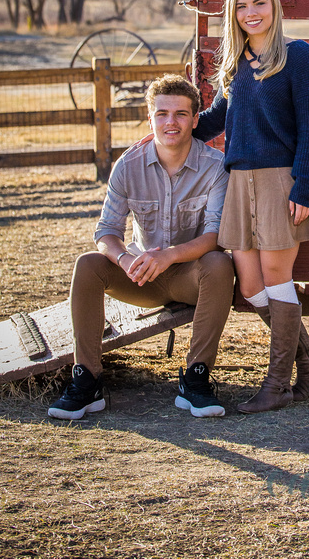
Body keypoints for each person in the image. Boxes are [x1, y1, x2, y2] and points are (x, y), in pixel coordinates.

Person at [48, 75, 234, 421]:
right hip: (141, 275)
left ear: (196, 120)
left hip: (188, 275)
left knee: (220, 263)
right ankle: (87, 379)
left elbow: (215, 236)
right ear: (150, 117)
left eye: (181, 114)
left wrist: (170, 256)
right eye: (161, 114)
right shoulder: (128, 165)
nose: (171, 122)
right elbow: (106, 231)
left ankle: (196, 379)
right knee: (88, 264)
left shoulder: (214, 168)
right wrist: (125, 258)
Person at [193, 0, 309, 414]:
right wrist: (170, 132)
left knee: (277, 280)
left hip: (280, 182)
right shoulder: (234, 66)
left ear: (273, 6)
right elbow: (215, 121)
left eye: (259, 3)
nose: (250, 13)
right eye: (241, 5)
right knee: (251, 285)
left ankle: (277, 387)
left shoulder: (298, 56)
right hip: (239, 184)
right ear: (231, 14)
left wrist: (305, 187)